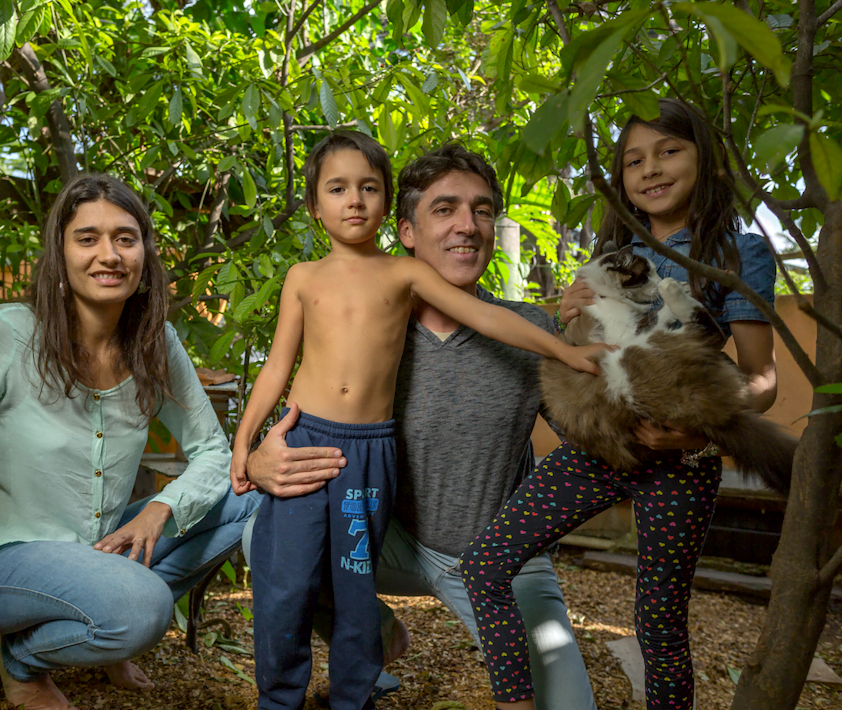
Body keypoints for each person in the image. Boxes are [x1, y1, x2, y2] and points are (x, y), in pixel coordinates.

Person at [0, 174, 259, 710]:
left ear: (144, 251)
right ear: (60, 252)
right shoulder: (8, 331)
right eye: (87, 238)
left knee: (254, 493)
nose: (109, 254)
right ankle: (24, 660)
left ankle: (96, 614)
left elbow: (214, 451)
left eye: (125, 237)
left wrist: (161, 507)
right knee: (144, 610)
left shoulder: (154, 341)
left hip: (100, 545)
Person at [236, 141, 601, 710]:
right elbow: (286, 370)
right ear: (406, 228)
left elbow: (591, 428)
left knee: (565, 704)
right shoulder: (334, 292)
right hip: (386, 524)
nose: (468, 226)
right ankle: (327, 666)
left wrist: (576, 348)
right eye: (445, 209)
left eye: (482, 210)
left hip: (490, 548)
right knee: (269, 548)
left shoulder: (500, 319)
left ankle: (362, 668)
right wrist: (252, 450)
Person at [462, 98, 778, 710]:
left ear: (706, 161)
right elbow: (576, 348)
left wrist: (698, 436)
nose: (650, 169)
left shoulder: (737, 253)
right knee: (486, 564)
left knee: (658, 625)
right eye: (634, 160)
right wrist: (568, 316)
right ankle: (516, 702)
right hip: (601, 441)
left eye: (668, 151)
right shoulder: (610, 248)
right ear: (621, 179)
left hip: (680, 456)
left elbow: (761, 379)